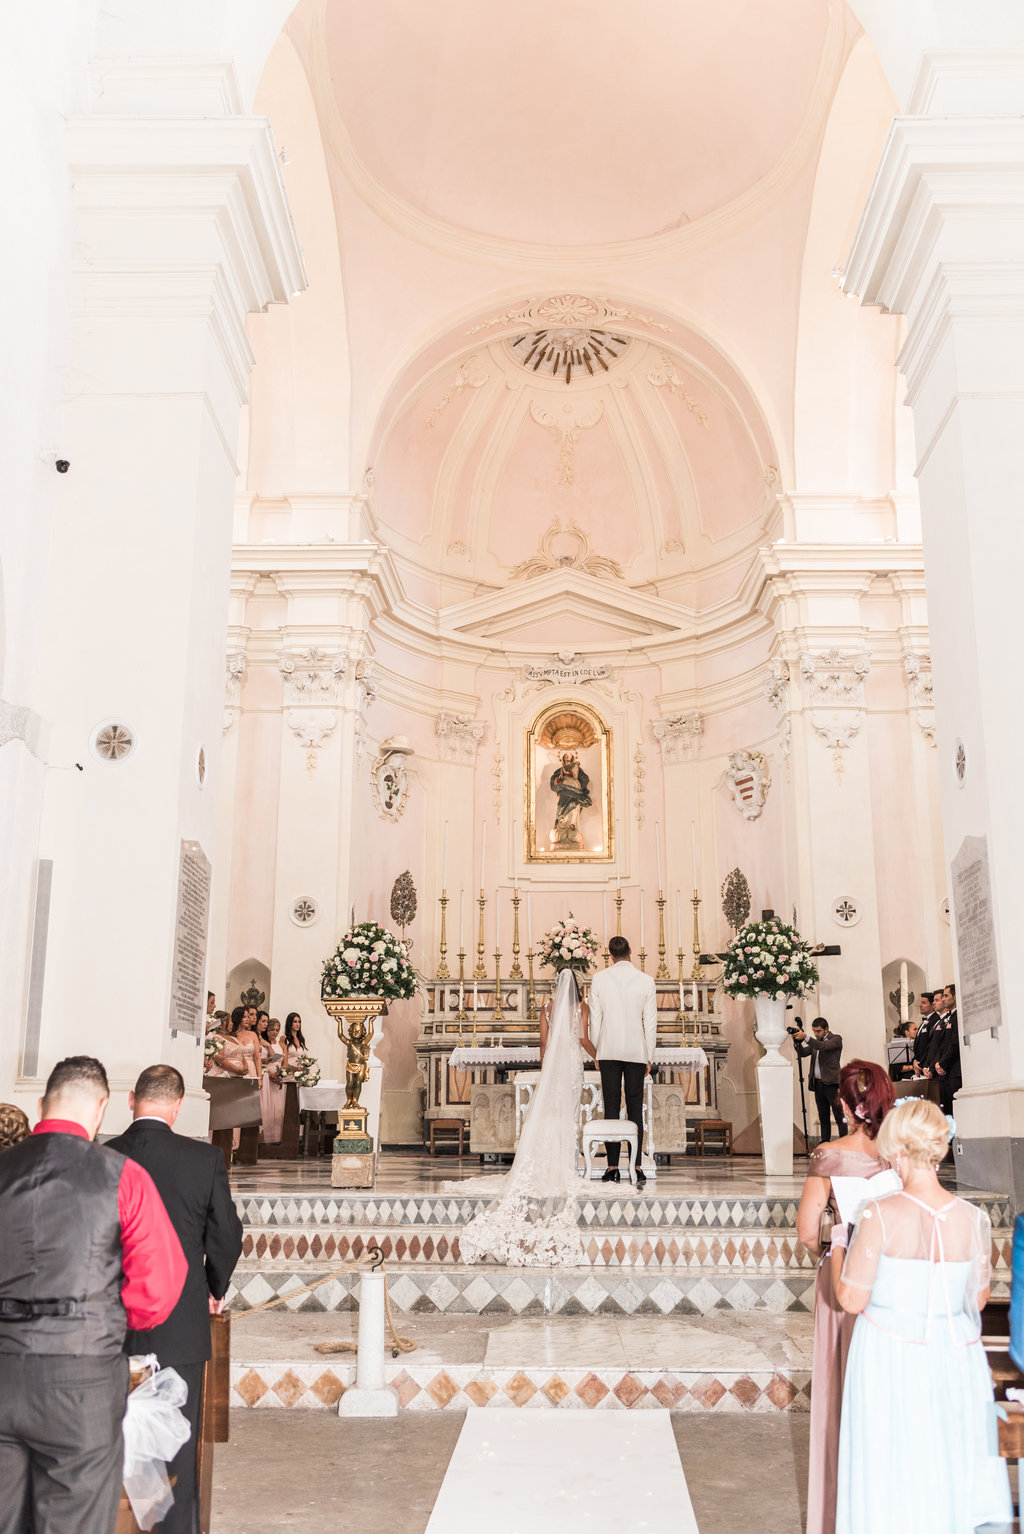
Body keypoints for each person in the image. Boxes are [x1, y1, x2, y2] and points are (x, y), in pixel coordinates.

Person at [0, 1056, 187, 1534]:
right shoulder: (122, 1176)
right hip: (79, 1377)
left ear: (41, 1104)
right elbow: (158, 1288)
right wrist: (97, 1320)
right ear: (102, 1108)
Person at [832, 1097, 1011, 1534]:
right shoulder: (973, 1219)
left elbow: (851, 1300)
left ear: (897, 1151)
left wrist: (840, 1243)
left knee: (893, 1460)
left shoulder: (878, 1213)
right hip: (954, 1356)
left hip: (891, 1354)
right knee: (947, 1455)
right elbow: (980, 1297)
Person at [108, 1065, 244, 1534]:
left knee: (108, 1443)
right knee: (177, 1450)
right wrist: (214, 1287)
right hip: (179, 1322)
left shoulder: (103, 1156)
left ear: (131, 1100)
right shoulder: (202, 1159)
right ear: (178, 1105)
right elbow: (225, 1236)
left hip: (112, 1323)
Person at [796, 1061, 894, 1534]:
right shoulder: (900, 1152)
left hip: (844, 1278)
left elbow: (805, 1231)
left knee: (840, 1388)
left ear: (843, 1101)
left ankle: (839, 1515)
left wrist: (834, 1250)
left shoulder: (829, 1154)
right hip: (894, 1278)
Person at [448, 968, 590, 1266]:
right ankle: (567, 1164)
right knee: (568, 1114)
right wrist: (598, 1054)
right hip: (573, 1060)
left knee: (550, 1112)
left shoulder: (548, 1006)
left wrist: (546, 1064)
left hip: (553, 1061)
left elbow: (543, 1041)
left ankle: (549, 1162)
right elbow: (584, 1038)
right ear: (578, 987)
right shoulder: (583, 1007)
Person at [587, 934, 658, 1187]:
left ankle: (613, 1167)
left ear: (610, 955)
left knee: (611, 1108)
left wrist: (598, 1050)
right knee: (635, 1107)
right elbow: (650, 1023)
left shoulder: (599, 979)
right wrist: (649, 1055)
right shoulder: (646, 981)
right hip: (636, 1051)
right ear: (631, 951)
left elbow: (595, 1020)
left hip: (608, 1050)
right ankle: (636, 1166)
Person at [793, 1017, 846, 1142]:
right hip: (818, 1084)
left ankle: (844, 1141)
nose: (816, 1034)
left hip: (831, 1083)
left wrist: (806, 1037)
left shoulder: (836, 1039)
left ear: (826, 1029)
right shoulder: (816, 1042)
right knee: (823, 1116)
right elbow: (803, 1053)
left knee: (838, 1114)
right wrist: (796, 1042)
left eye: (818, 1031)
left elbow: (823, 1046)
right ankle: (825, 1141)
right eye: (814, 1031)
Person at [932, 984, 962, 1116]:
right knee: (946, 1109)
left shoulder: (958, 1016)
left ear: (955, 997)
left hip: (954, 1069)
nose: (943, 999)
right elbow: (942, 1045)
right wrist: (938, 1063)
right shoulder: (950, 1017)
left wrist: (942, 1063)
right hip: (945, 1070)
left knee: (953, 1108)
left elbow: (955, 1043)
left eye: (946, 996)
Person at [259, 1019, 287, 1143]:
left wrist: (280, 1073)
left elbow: (285, 1064)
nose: (275, 1032)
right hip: (267, 1075)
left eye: (277, 1030)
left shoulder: (281, 1045)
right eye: (272, 1030)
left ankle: (276, 1138)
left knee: (279, 1107)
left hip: (278, 1077)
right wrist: (270, 1073)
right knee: (267, 1106)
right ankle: (265, 1137)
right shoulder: (263, 1043)